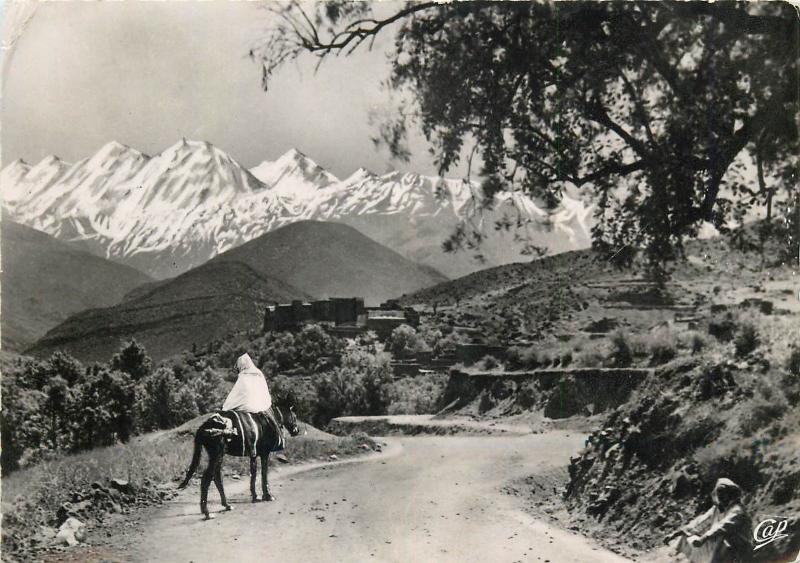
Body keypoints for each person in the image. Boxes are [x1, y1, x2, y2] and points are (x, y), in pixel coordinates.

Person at [666, 478, 753, 563]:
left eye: (723, 493)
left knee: (719, 537)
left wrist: (703, 539)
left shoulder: (737, 510)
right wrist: (676, 533)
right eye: (719, 493)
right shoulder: (717, 509)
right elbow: (700, 523)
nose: (721, 497)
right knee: (687, 535)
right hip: (721, 546)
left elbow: (722, 527)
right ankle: (676, 557)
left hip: (738, 548)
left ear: (730, 494)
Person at [222, 353, 287, 461]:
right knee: (275, 422)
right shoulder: (259, 374)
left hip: (243, 405)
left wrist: (226, 407)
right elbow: (264, 391)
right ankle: (279, 445)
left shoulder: (243, 376)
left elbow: (236, 393)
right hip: (261, 405)